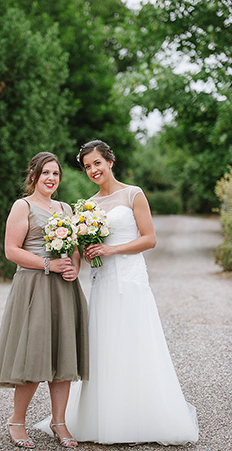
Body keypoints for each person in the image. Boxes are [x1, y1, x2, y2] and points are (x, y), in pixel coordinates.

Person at [35, 140, 199, 446]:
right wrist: (80, 250)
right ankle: (104, 417)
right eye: (86, 167)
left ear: (110, 161)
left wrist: (112, 249)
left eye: (97, 163)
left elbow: (149, 239)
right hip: (103, 281)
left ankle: (142, 417)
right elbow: (86, 252)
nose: (93, 170)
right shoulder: (88, 206)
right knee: (104, 346)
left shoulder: (133, 193)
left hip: (132, 279)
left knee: (137, 343)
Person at [0, 152, 89, 449]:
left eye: (56, 174)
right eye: (46, 172)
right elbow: (11, 250)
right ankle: (16, 421)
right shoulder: (23, 206)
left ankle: (59, 422)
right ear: (33, 176)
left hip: (63, 288)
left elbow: (73, 249)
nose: (51, 178)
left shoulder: (65, 208)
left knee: (63, 355)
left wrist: (73, 267)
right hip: (34, 285)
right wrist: (48, 265)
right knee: (34, 354)